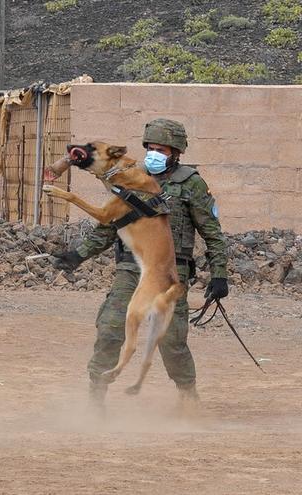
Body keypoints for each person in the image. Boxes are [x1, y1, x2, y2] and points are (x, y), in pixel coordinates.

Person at [47, 119, 228, 407]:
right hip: (131, 267)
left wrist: (219, 275)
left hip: (169, 271)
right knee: (110, 327)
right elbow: (108, 226)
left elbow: (212, 233)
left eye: (161, 149)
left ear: (176, 152)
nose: (153, 153)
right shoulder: (130, 176)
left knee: (171, 340)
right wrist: (77, 255)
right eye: (150, 148)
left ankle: (187, 394)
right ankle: (96, 395)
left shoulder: (190, 183)